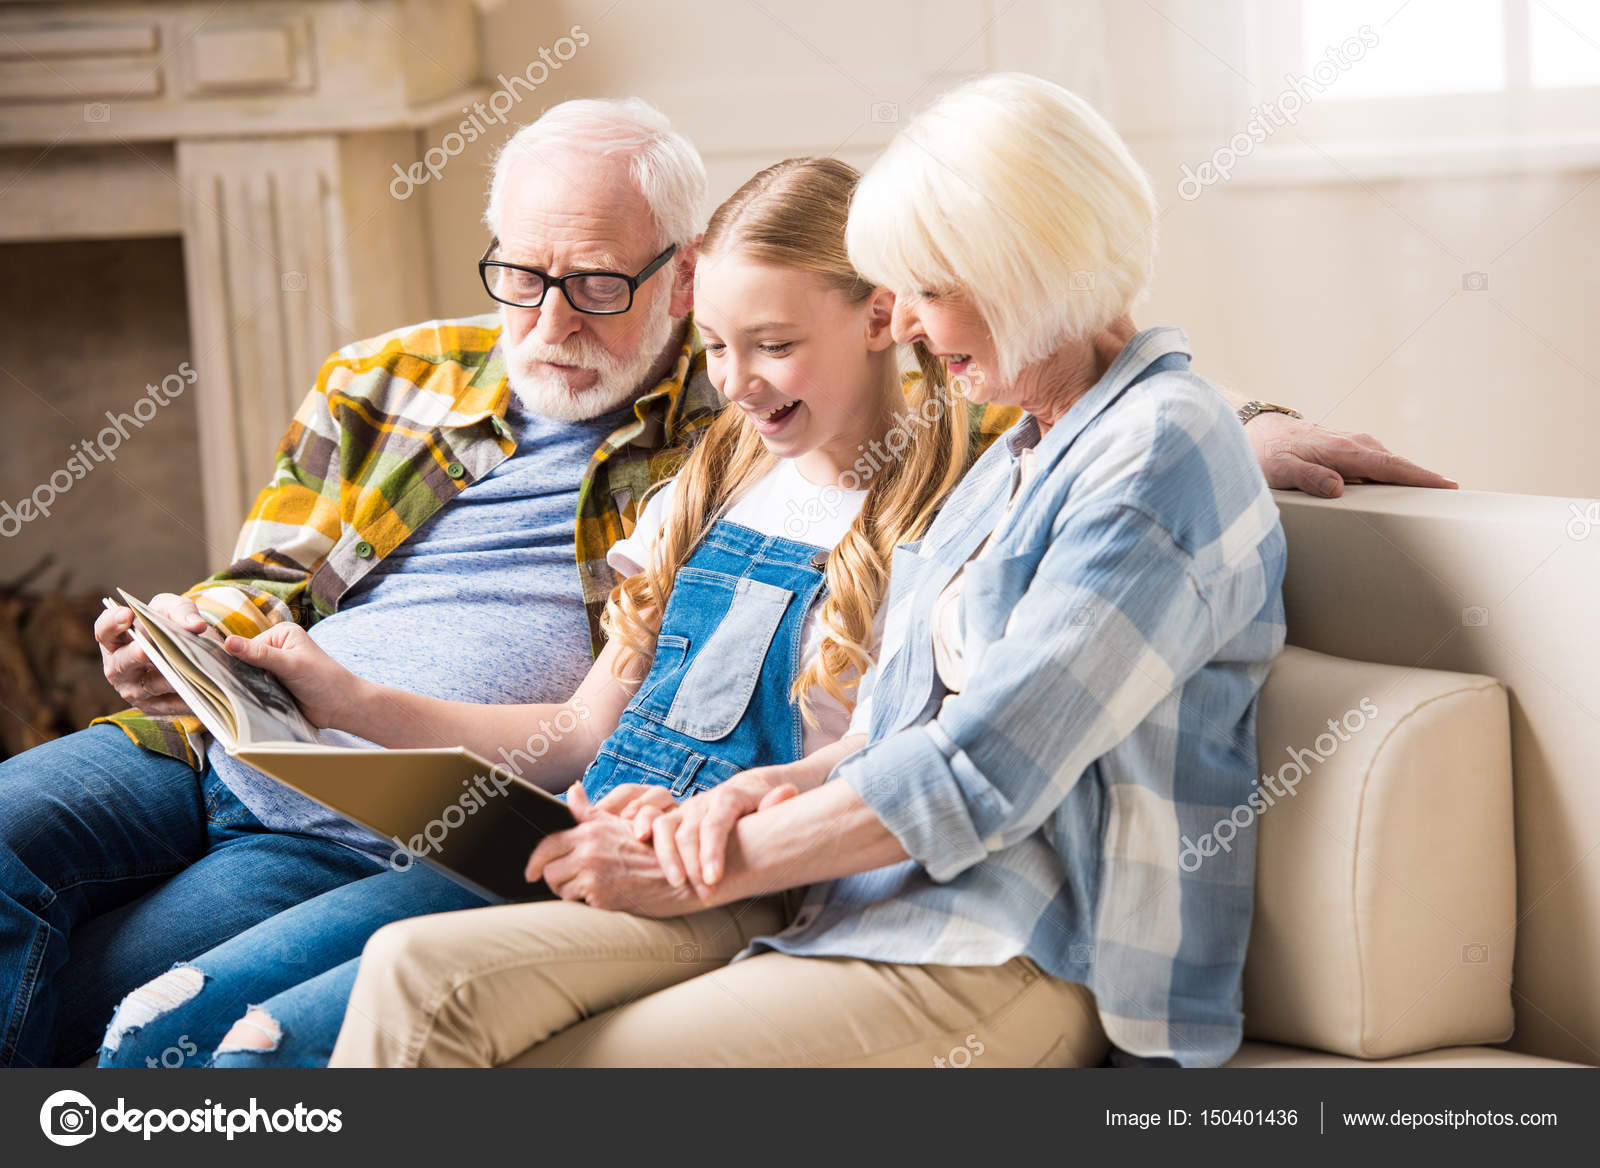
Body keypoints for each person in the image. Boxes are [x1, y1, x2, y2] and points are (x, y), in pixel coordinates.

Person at [0, 92, 1441, 1070]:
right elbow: (868, 725)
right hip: (409, 784)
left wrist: (1246, 424)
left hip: (792, 888)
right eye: (522, 276)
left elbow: (979, 744)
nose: (553, 316)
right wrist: (295, 677)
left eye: (598, 282)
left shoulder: (963, 452)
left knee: (190, 1027)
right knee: (118, 975)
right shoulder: (706, 447)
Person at [328, 73, 1286, 1070]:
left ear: (1030, 273)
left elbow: (980, 773)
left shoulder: (1154, 450)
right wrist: (734, 802)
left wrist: (693, 870)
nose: (905, 326)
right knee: (413, 967)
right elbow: (896, 728)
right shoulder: (1023, 454)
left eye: (927, 291)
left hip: (1017, 943)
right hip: (868, 905)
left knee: (520, 1046)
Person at [98, 156, 970, 1068]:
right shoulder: (711, 483)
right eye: (715, 346)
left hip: (714, 870)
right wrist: (348, 702)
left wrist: (720, 816)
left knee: (262, 1052)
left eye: (775, 346)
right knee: (152, 1030)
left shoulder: (940, 515)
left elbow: (888, 757)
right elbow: (579, 733)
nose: (738, 382)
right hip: (567, 834)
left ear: (881, 316)